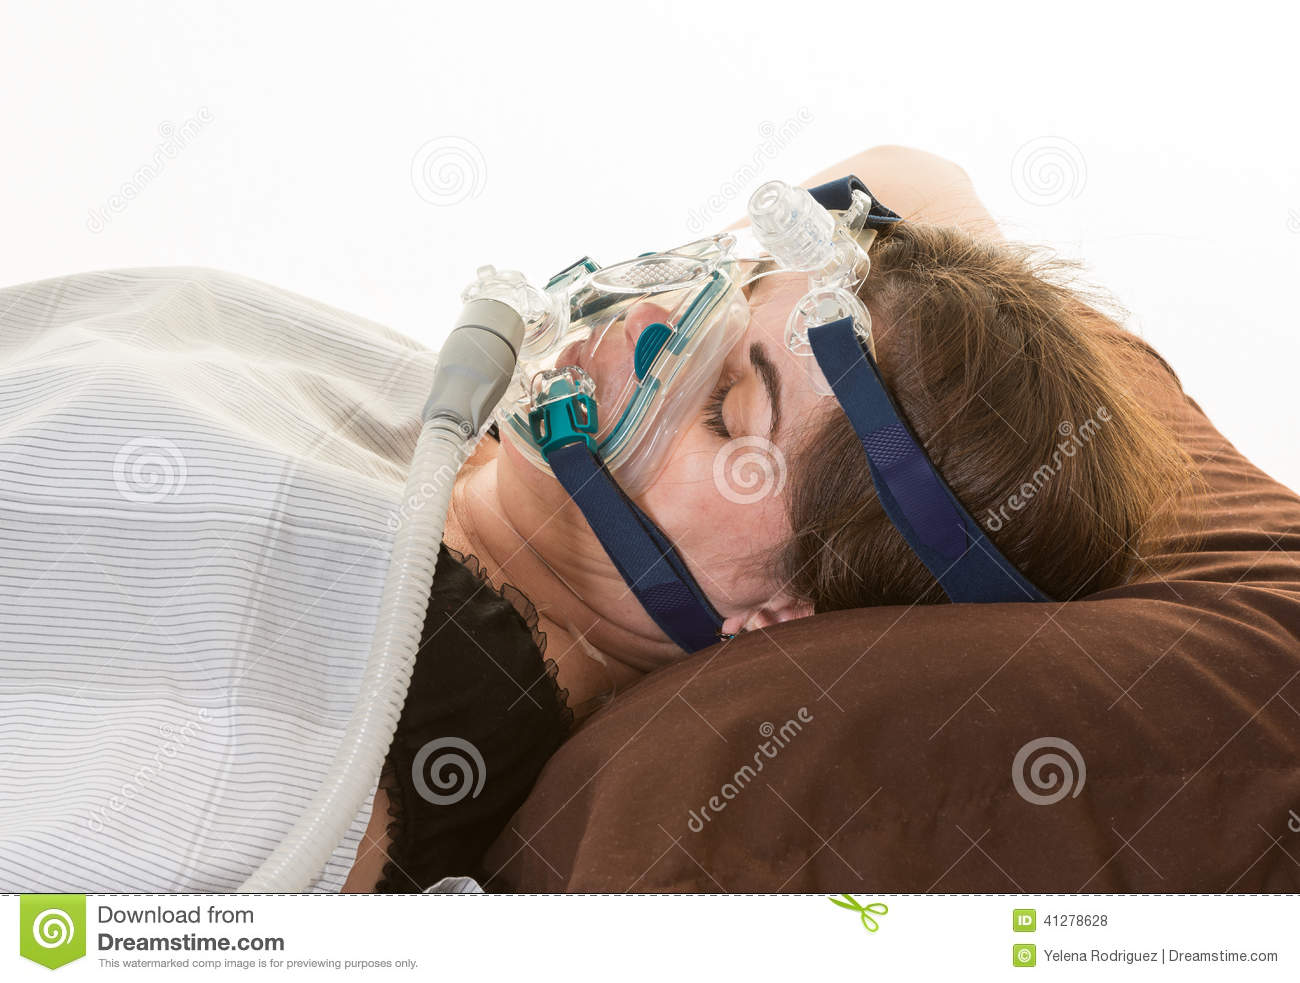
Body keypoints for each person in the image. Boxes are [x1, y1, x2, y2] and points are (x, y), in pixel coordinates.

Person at [344, 145, 1194, 890]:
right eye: (729, 298)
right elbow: (909, 172)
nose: (646, 318)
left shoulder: (395, 725)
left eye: (725, 405)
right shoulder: (462, 440)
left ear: (785, 614)